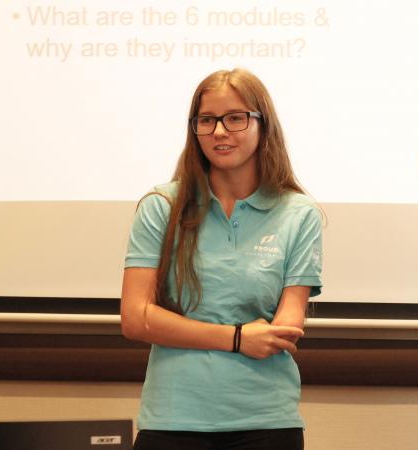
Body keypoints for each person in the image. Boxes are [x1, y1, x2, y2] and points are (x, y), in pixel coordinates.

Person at [120, 68, 322, 450]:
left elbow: (286, 326)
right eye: (207, 120)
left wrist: (183, 328)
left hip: (266, 419)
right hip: (173, 417)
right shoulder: (161, 206)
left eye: (235, 118)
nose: (219, 132)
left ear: (264, 125)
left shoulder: (299, 213)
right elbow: (135, 318)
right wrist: (236, 337)